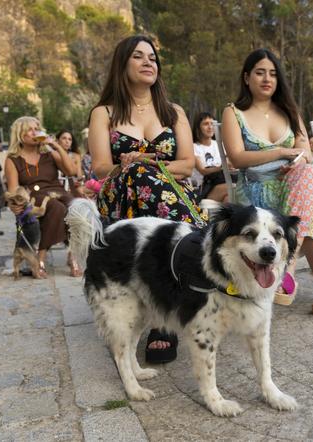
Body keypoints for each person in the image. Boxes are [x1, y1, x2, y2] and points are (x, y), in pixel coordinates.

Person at [88, 35, 206, 363]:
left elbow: (186, 163)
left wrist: (149, 163)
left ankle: (163, 321)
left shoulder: (173, 112)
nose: (148, 62)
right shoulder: (104, 113)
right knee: (138, 176)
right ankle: (172, 294)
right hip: (122, 192)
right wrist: (127, 164)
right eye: (138, 57)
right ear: (122, 64)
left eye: (152, 58)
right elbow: (99, 167)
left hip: (171, 189)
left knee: (146, 175)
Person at [221, 48, 313, 322]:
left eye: (272, 73)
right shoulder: (234, 112)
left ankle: (288, 266)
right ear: (246, 77)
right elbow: (237, 157)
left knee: (306, 174)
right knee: (311, 198)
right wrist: (282, 153)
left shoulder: (289, 110)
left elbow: (306, 151)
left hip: (294, 185)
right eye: (260, 72)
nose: (267, 79)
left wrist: (295, 161)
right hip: (256, 190)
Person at [4, 116, 78, 277]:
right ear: (20, 134)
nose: (35, 132)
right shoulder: (13, 160)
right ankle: (41, 258)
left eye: (37, 128)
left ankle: (73, 254)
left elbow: (72, 172)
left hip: (57, 191)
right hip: (34, 197)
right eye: (30, 129)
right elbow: (13, 190)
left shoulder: (49, 154)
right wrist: (14, 204)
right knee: (56, 208)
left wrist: (56, 146)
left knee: (77, 206)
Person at [191, 112, 228, 202]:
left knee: (228, 199)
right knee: (232, 188)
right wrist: (222, 167)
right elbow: (203, 171)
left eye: (212, 124)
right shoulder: (193, 147)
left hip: (221, 183)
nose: (210, 127)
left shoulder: (221, 145)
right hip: (203, 188)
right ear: (198, 127)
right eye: (206, 124)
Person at [56, 130, 86, 197]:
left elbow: (79, 176)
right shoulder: (52, 154)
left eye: (69, 139)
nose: (67, 141)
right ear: (57, 140)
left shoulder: (75, 156)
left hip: (71, 187)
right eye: (64, 138)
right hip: (55, 187)